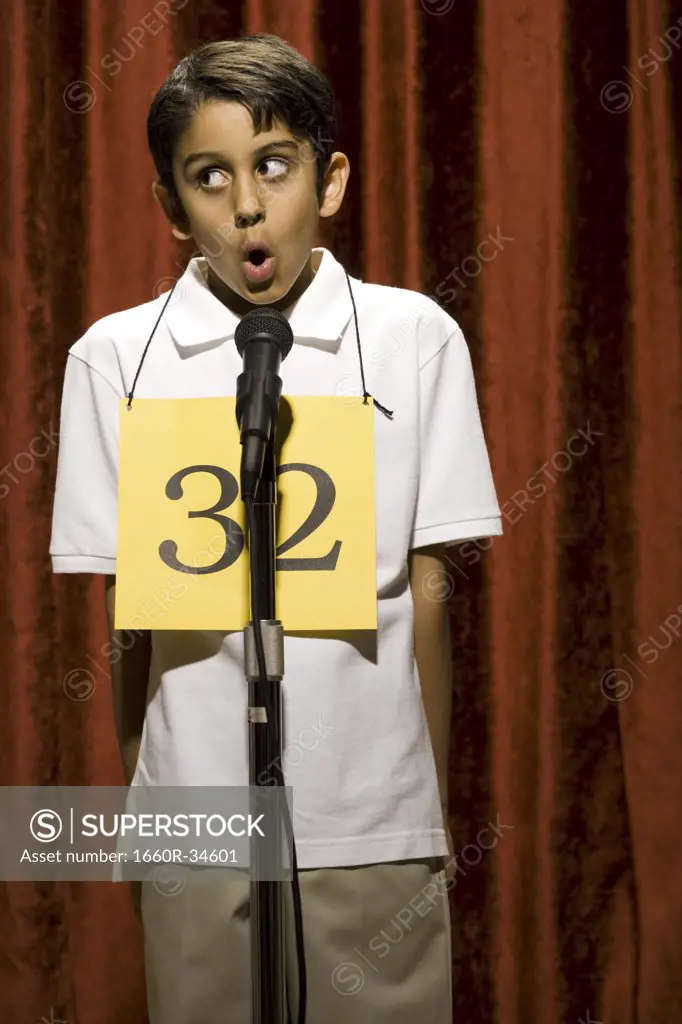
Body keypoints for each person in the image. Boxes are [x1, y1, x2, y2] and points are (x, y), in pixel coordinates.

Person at [49, 32, 502, 1024]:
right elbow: (131, 621)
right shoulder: (112, 358)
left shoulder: (414, 336)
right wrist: (147, 810)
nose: (247, 204)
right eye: (209, 177)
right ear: (171, 205)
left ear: (329, 180)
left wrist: (413, 803)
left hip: (371, 809)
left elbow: (429, 589)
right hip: (196, 817)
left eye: (274, 165)